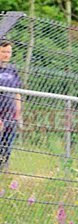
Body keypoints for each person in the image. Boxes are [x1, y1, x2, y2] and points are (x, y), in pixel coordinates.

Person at [0, 40, 22, 170]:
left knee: (8, 141)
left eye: (9, 52)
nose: (7, 55)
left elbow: (18, 91)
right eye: (3, 52)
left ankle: (4, 166)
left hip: (10, 113)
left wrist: (18, 109)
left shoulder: (12, 69)